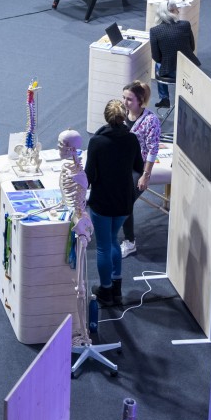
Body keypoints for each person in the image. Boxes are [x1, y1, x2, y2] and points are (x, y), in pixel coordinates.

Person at [85, 99, 144, 307]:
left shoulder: (97, 142)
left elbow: (89, 175)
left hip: (102, 201)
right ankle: (116, 287)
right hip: (124, 201)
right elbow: (139, 166)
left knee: (103, 246)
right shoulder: (132, 139)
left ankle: (105, 289)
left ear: (106, 117)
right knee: (113, 240)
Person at [119, 81, 162, 257]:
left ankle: (130, 242)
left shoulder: (151, 121)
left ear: (140, 101)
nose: (125, 102)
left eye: (129, 99)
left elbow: (153, 149)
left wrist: (146, 175)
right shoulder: (122, 114)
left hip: (138, 167)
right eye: (123, 97)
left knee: (125, 202)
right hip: (121, 164)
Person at [148, 0, 198, 109]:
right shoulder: (186, 25)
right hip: (189, 68)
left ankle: (164, 98)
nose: (179, 11)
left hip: (170, 72)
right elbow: (192, 47)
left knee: (158, 65)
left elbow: (156, 57)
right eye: (177, 9)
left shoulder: (155, 31)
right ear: (172, 11)